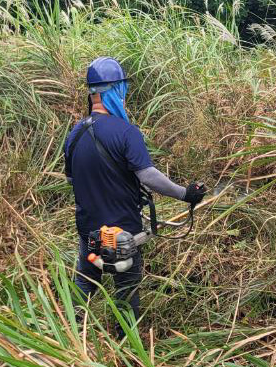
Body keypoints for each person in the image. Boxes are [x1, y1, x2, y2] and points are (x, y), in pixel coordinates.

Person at [63, 57, 206, 335]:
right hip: (122, 230)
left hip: (88, 228)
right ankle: (127, 347)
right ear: (116, 91)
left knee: (84, 282)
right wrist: (185, 194)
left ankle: (70, 337)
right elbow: (149, 177)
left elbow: (71, 178)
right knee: (127, 290)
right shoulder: (127, 133)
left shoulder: (75, 133)